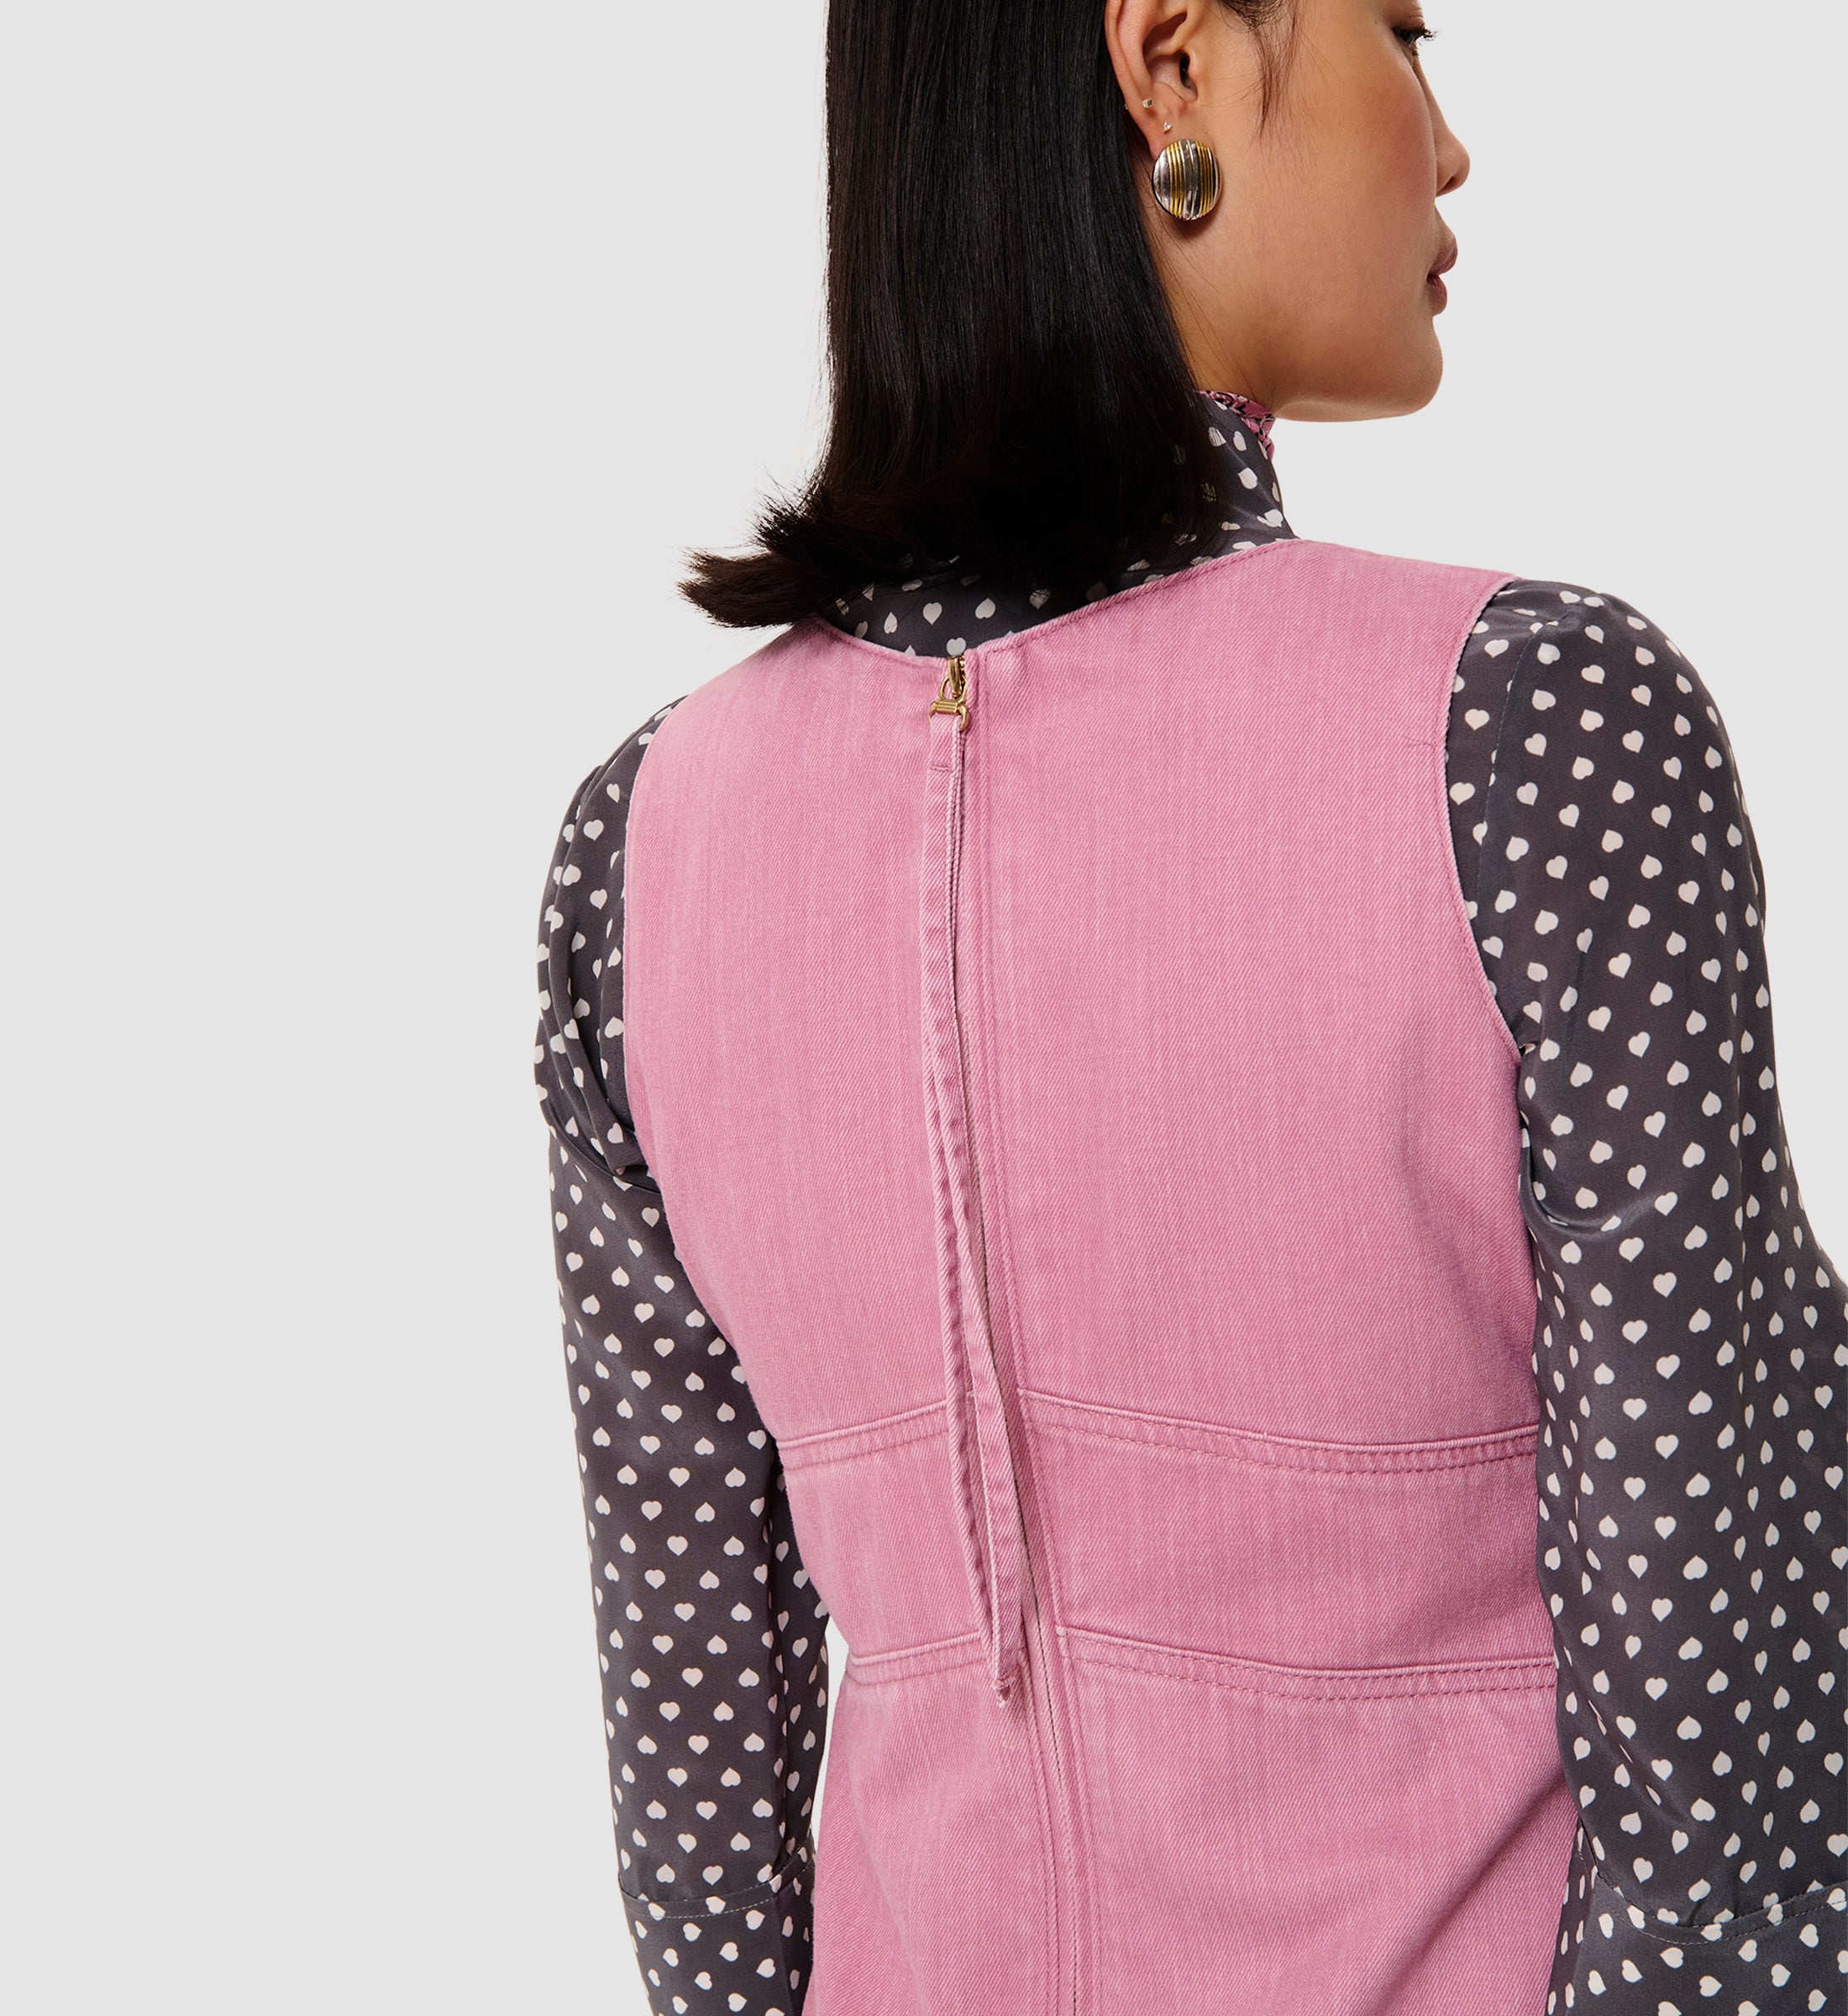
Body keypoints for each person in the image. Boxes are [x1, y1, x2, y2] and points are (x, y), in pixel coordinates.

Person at [534, 2, 1846, 2010]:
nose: (1444, 144)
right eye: (1399, 30)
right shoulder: (1533, 736)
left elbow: (703, 1830)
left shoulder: (641, 846)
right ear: (1166, 64)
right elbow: (1725, 1761)